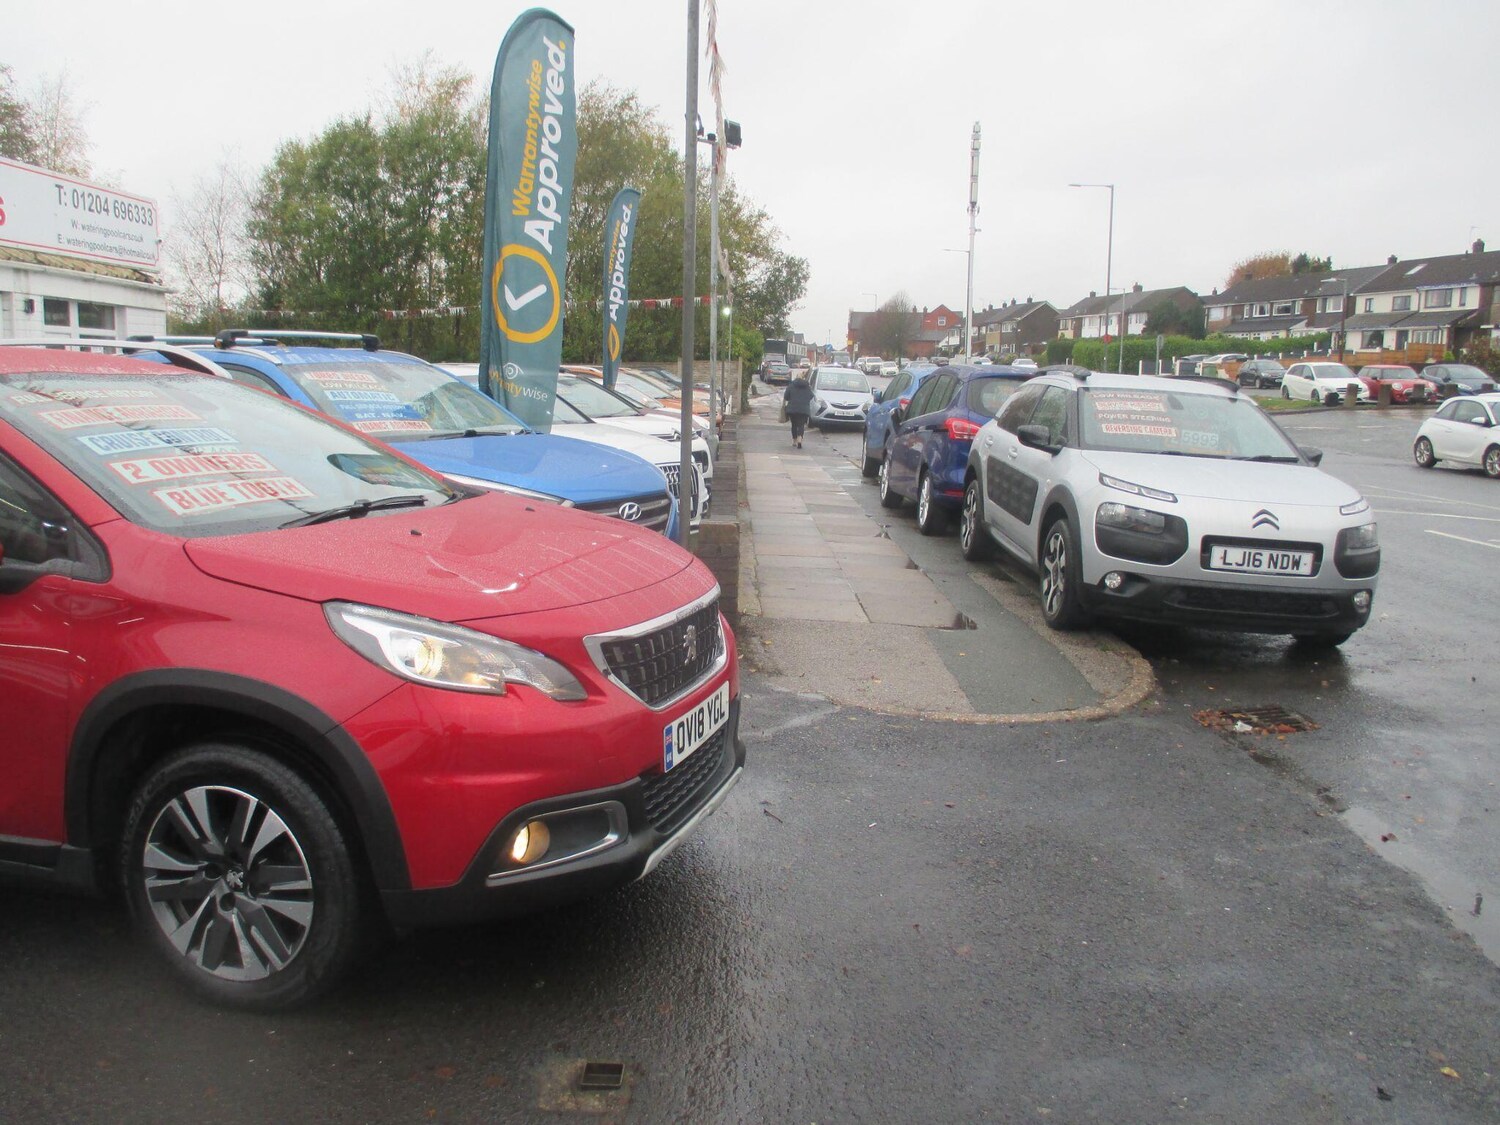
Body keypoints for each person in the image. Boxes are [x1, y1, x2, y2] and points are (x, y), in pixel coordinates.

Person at [782, 372, 815, 448]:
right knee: (801, 425)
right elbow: (811, 396)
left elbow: (786, 396)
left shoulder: (791, 385)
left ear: (796, 377)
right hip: (804, 409)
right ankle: (799, 440)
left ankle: (794, 441)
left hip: (792, 409)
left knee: (794, 425)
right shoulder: (807, 386)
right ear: (803, 378)